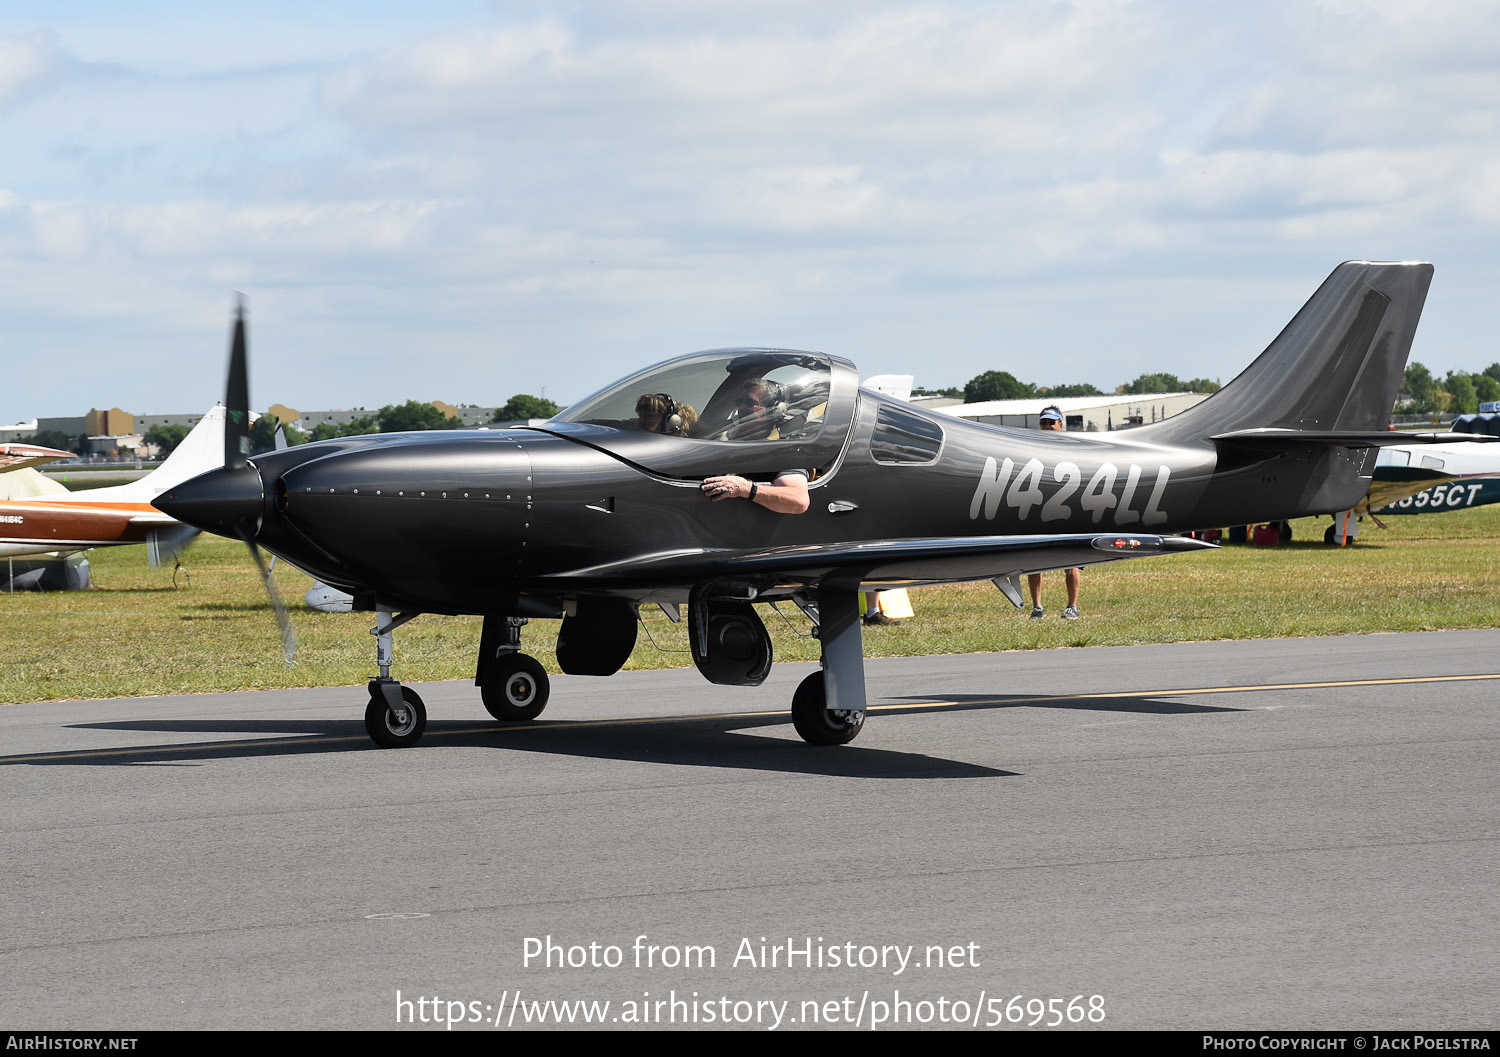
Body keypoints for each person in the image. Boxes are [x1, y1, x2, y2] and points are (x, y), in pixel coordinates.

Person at [701, 379, 810, 513]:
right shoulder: (726, 443)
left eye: (750, 403)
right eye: (739, 402)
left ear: (776, 409)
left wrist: (746, 489)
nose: (741, 408)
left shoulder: (784, 449)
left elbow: (798, 501)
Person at [1028, 405, 1081, 619]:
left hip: (1067, 510)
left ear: (1061, 425)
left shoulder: (1072, 448)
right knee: (1033, 559)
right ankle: (1037, 607)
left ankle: (1072, 606)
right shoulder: (1031, 448)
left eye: (1051, 422)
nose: (1047, 426)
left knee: (1071, 560)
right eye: (1043, 423)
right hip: (1039, 508)